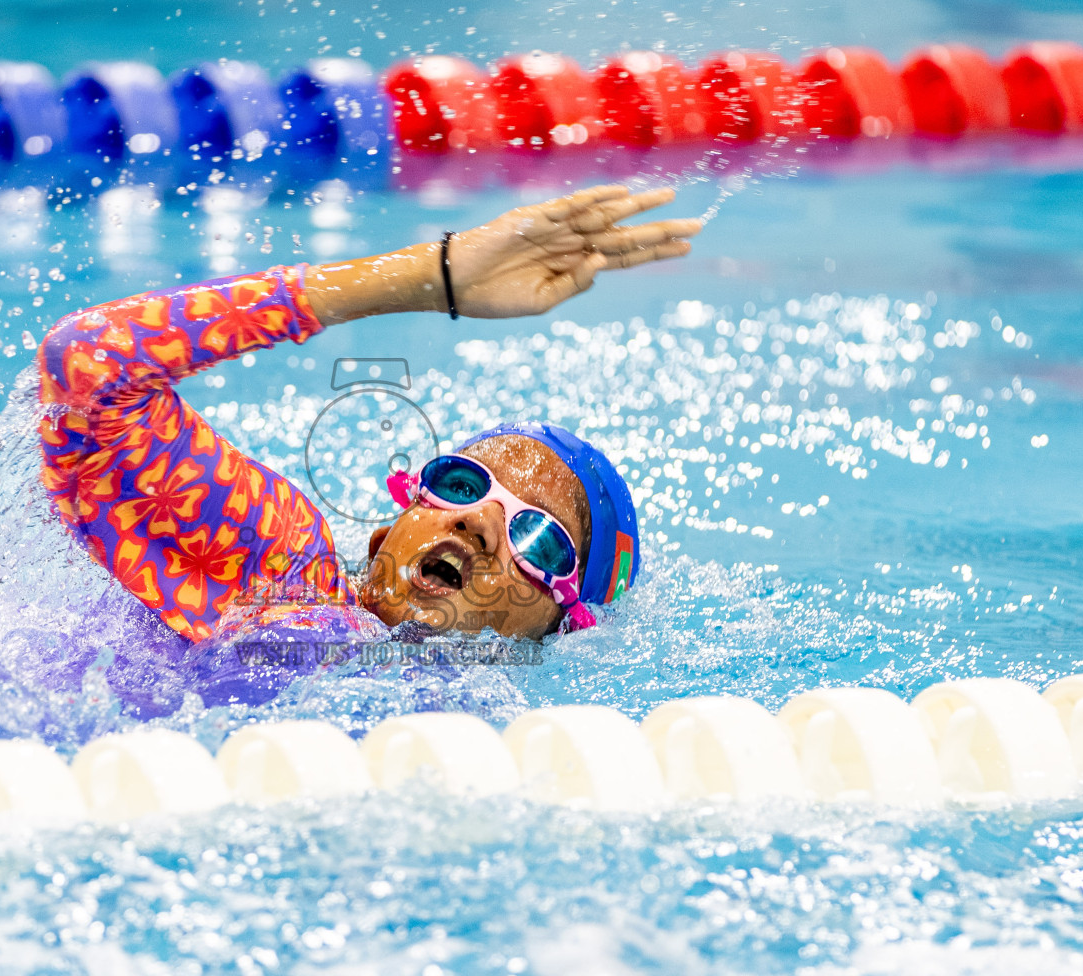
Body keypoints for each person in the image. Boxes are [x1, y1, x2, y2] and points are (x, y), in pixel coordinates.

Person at [37, 185, 701, 658]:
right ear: (386, 537)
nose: (477, 521)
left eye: (540, 540)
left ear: (558, 633)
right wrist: (431, 277)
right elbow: (90, 362)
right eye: (462, 485)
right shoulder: (286, 577)